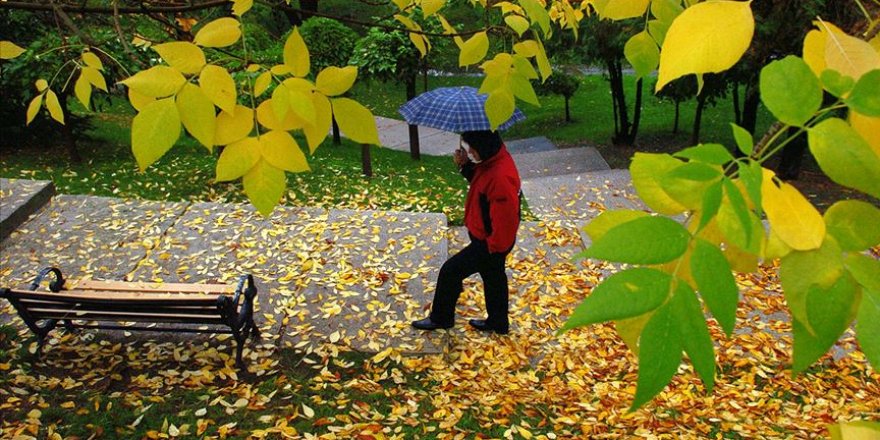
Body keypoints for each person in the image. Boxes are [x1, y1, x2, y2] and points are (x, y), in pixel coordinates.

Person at [412, 130, 521, 334]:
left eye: (472, 148)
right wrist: (465, 165)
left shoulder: (499, 176)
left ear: (484, 146)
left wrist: (493, 249)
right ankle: (498, 323)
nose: (470, 151)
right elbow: (482, 183)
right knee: (494, 278)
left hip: (490, 243)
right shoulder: (493, 160)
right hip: (489, 240)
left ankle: (441, 318)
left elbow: (506, 218)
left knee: (450, 272)